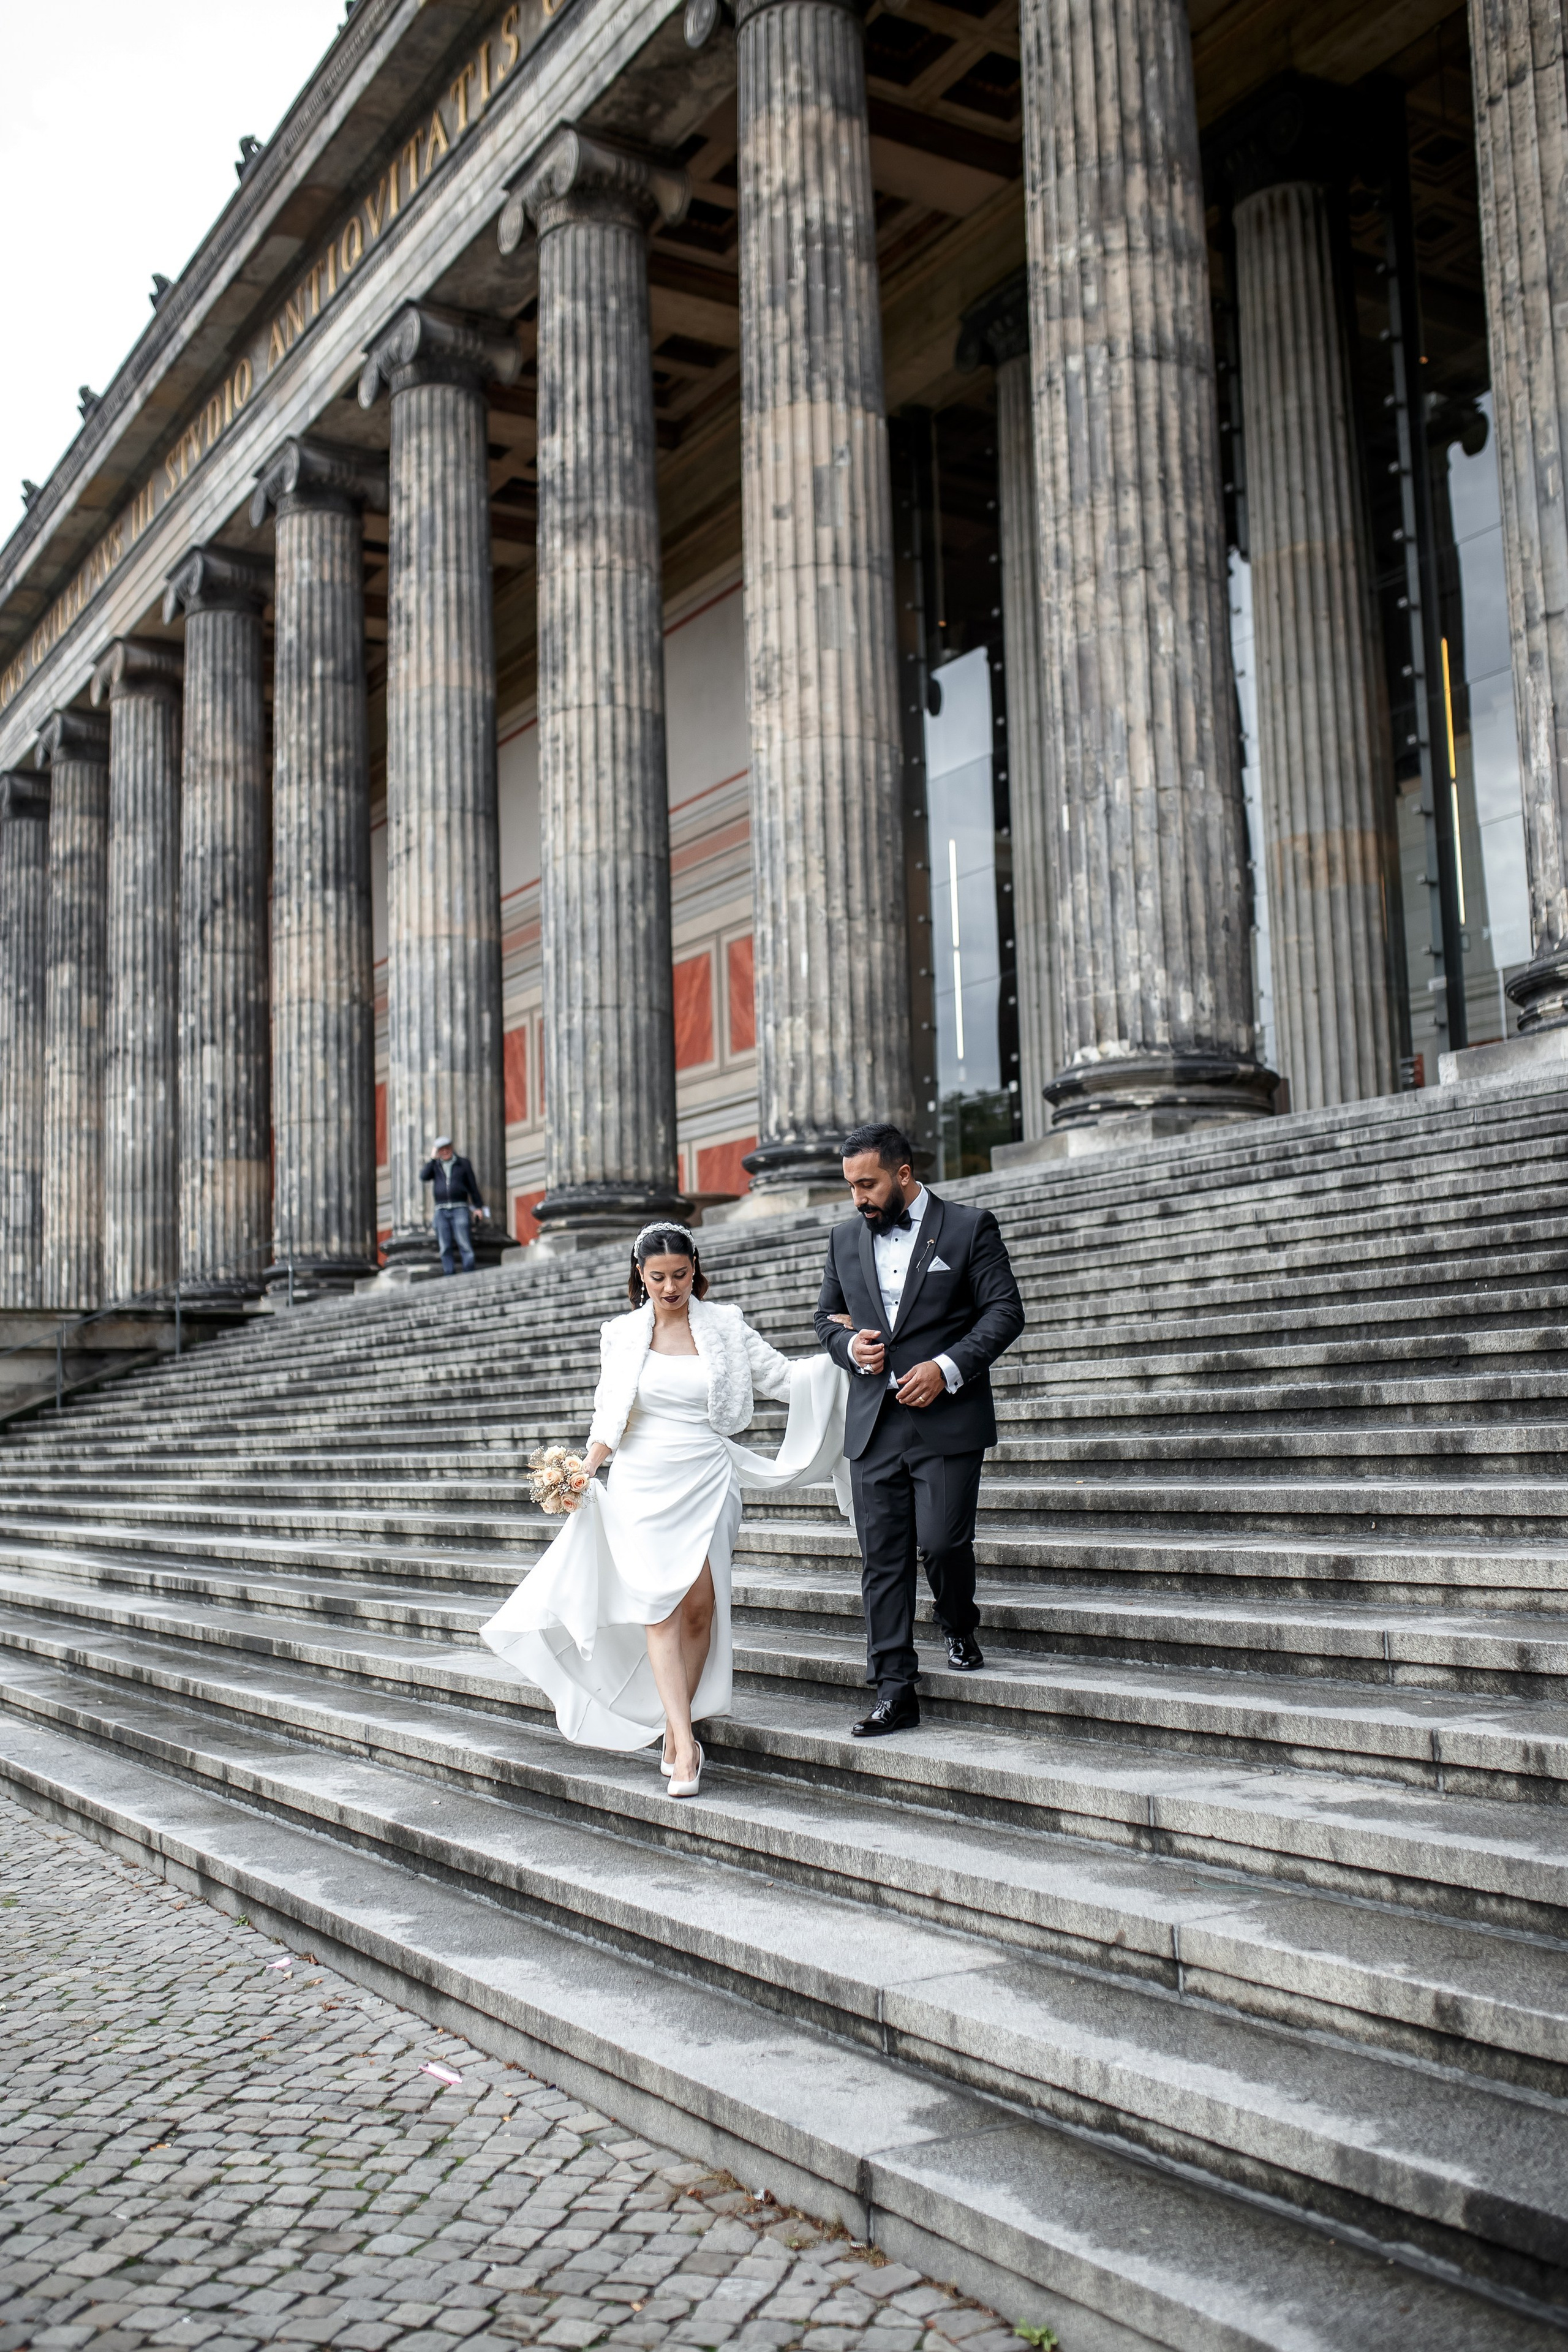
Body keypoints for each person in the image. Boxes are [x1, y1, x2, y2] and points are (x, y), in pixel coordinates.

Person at [481, 1222, 849, 1796]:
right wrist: (585, 1466)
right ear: (639, 1276)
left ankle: (681, 1734)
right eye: (658, 1277)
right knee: (659, 1609)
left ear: (695, 1269)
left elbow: (781, 1377)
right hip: (642, 1480)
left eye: (681, 1274)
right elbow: (610, 1412)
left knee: (700, 1609)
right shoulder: (622, 1334)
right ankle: (682, 1745)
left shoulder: (725, 1325)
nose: (671, 1287)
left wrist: (842, 1354)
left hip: (707, 1475)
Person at [813, 1121, 1025, 1739]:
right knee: (882, 1560)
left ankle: (959, 1624)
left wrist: (946, 1367)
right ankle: (893, 1688)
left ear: (903, 1174)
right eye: (850, 1185)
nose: (858, 1197)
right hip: (874, 1422)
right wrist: (849, 1345)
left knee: (942, 1544)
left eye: (868, 1184)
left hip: (947, 1419)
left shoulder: (968, 1228)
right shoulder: (843, 1238)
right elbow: (825, 1317)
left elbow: (1004, 1311)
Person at [420, 1137, 487, 1275]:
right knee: (444, 1245)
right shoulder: (435, 1166)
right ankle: (449, 1273)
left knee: (465, 1243)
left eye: (447, 1148)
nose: (445, 1152)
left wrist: (478, 1207)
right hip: (441, 1210)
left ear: (452, 1147)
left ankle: (469, 1271)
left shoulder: (463, 1164)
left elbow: (473, 1187)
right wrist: (432, 1159)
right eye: (441, 1150)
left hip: (460, 1207)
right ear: (438, 1152)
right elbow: (424, 1176)